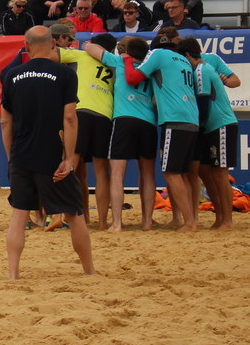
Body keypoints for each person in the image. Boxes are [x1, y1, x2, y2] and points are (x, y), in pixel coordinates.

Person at [0, 26, 95, 280]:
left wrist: (11, 158)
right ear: (53, 44)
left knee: (19, 215)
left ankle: (13, 273)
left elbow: (5, 122)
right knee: (74, 215)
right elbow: (70, 118)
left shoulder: (11, 75)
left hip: (22, 154)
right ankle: (89, 271)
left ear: (26, 46)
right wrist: (69, 158)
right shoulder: (65, 74)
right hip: (53, 155)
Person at [124, 35, 201, 232]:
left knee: (171, 173)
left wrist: (127, 59)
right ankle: (189, 219)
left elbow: (132, 78)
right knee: (183, 173)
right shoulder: (183, 60)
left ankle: (189, 222)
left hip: (174, 118)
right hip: (192, 117)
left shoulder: (157, 54)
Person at [82, 35, 157, 231]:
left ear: (127, 51)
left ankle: (117, 223)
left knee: (117, 173)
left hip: (125, 119)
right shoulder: (150, 69)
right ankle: (147, 221)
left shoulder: (120, 62)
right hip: (148, 122)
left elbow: (91, 48)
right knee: (148, 174)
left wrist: (87, 44)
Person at [51, 25, 114, 229]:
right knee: (102, 171)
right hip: (105, 114)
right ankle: (103, 222)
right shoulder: (114, 64)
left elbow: (50, 54)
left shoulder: (81, 55)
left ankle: (61, 214)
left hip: (82, 111)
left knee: (71, 163)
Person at [178, 37, 240, 229]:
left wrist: (198, 126)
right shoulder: (204, 68)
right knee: (209, 172)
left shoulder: (201, 70)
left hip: (220, 124)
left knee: (220, 173)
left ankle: (227, 220)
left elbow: (203, 104)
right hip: (213, 126)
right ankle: (220, 217)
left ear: (187, 55)